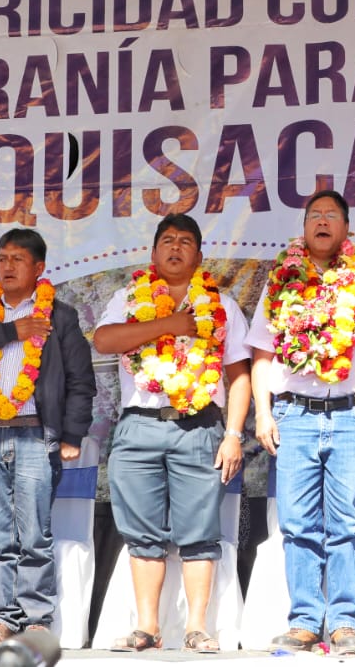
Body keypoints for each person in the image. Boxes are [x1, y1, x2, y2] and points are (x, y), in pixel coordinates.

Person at [247, 190, 355, 656]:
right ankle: (302, 621)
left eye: (330, 215)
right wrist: (262, 411)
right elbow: (261, 353)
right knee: (298, 524)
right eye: (313, 215)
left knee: (348, 523)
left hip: (354, 414)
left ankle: (342, 622)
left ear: (346, 227)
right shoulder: (281, 284)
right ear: (303, 227)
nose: (321, 222)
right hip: (294, 414)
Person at [92, 214, 252, 652]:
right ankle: (148, 627)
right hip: (140, 426)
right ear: (154, 252)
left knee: (200, 531)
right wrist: (168, 325)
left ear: (199, 256)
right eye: (167, 240)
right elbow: (105, 340)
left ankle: (197, 626)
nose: (175, 247)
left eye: (185, 241)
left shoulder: (221, 305)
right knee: (142, 532)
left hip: (198, 426)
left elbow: (239, 375)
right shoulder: (129, 298)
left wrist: (234, 433)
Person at [0, 228, 95, 644]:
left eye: (18, 259)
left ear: (39, 268)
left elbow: (82, 382)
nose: (8, 266)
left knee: (34, 535)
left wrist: (72, 435)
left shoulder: (60, 316)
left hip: (34, 436)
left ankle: (36, 620)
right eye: (3, 258)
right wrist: (13, 330)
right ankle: (5, 619)